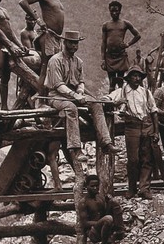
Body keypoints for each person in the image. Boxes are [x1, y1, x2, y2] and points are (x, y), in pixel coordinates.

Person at [44, 30, 119, 163]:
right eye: (71, 43)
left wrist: (79, 91)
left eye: (76, 44)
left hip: (74, 95)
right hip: (56, 97)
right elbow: (58, 85)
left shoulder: (78, 62)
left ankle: (106, 143)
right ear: (65, 42)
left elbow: (81, 82)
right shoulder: (55, 60)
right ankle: (76, 149)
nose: (74, 46)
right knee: (71, 108)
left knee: (96, 104)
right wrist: (75, 95)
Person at [104, 65, 159, 199]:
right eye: (134, 76)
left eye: (139, 76)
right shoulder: (121, 91)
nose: (137, 78)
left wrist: (156, 131)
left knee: (147, 158)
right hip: (131, 126)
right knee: (133, 159)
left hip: (146, 125)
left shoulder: (145, 92)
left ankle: (144, 188)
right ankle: (132, 188)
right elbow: (105, 99)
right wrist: (117, 102)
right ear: (128, 78)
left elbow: (153, 111)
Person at [19, 0, 65, 90]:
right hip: (47, 36)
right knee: (45, 68)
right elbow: (23, 2)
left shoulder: (58, 0)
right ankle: (41, 98)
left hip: (57, 38)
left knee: (55, 68)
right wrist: (38, 20)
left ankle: (52, 94)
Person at [101, 1, 141, 92]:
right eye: (112, 11)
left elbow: (137, 35)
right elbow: (103, 42)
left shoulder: (125, 23)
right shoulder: (106, 25)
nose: (114, 13)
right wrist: (102, 59)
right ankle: (110, 105)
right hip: (109, 56)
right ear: (109, 11)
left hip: (121, 56)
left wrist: (128, 44)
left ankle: (121, 103)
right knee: (111, 84)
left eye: (116, 11)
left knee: (120, 82)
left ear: (120, 11)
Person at [78, 174, 126, 244]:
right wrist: (100, 222)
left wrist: (109, 202)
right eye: (92, 186)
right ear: (86, 187)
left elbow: (104, 212)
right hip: (93, 232)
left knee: (114, 202)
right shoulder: (83, 202)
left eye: (97, 186)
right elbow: (85, 223)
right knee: (108, 218)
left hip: (105, 227)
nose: (95, 188)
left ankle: (120, 232)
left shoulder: (100, 197)